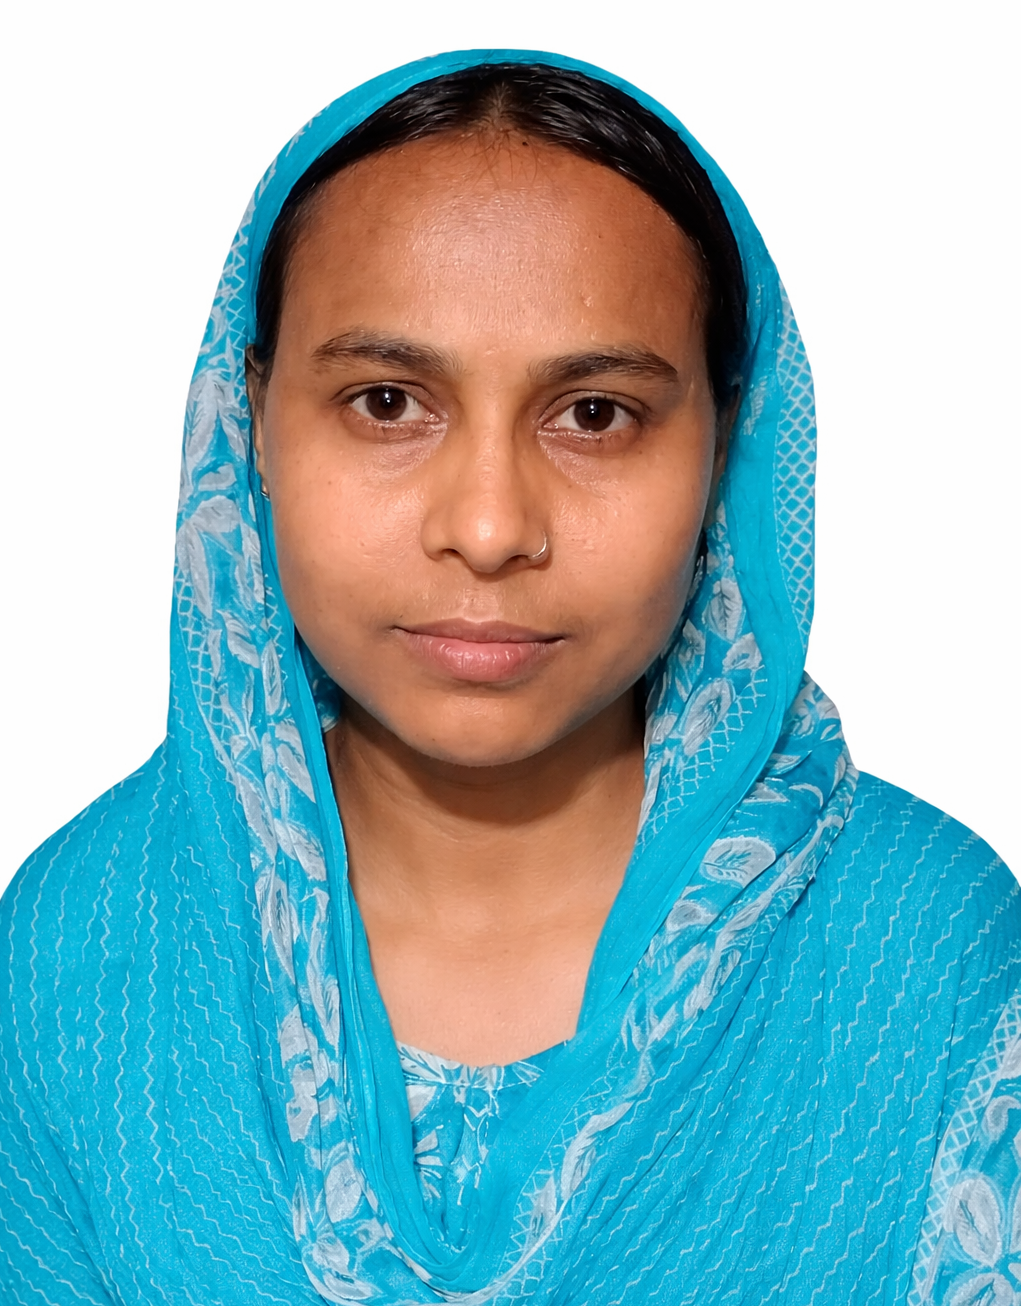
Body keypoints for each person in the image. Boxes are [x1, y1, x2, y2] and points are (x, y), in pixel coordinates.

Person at [1, 49, 1017, 1306]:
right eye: (387, 402)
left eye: (594, 414)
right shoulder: (80, 952)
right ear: (251, 417)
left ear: (724, 442)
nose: (487, 528)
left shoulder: (926, 957)